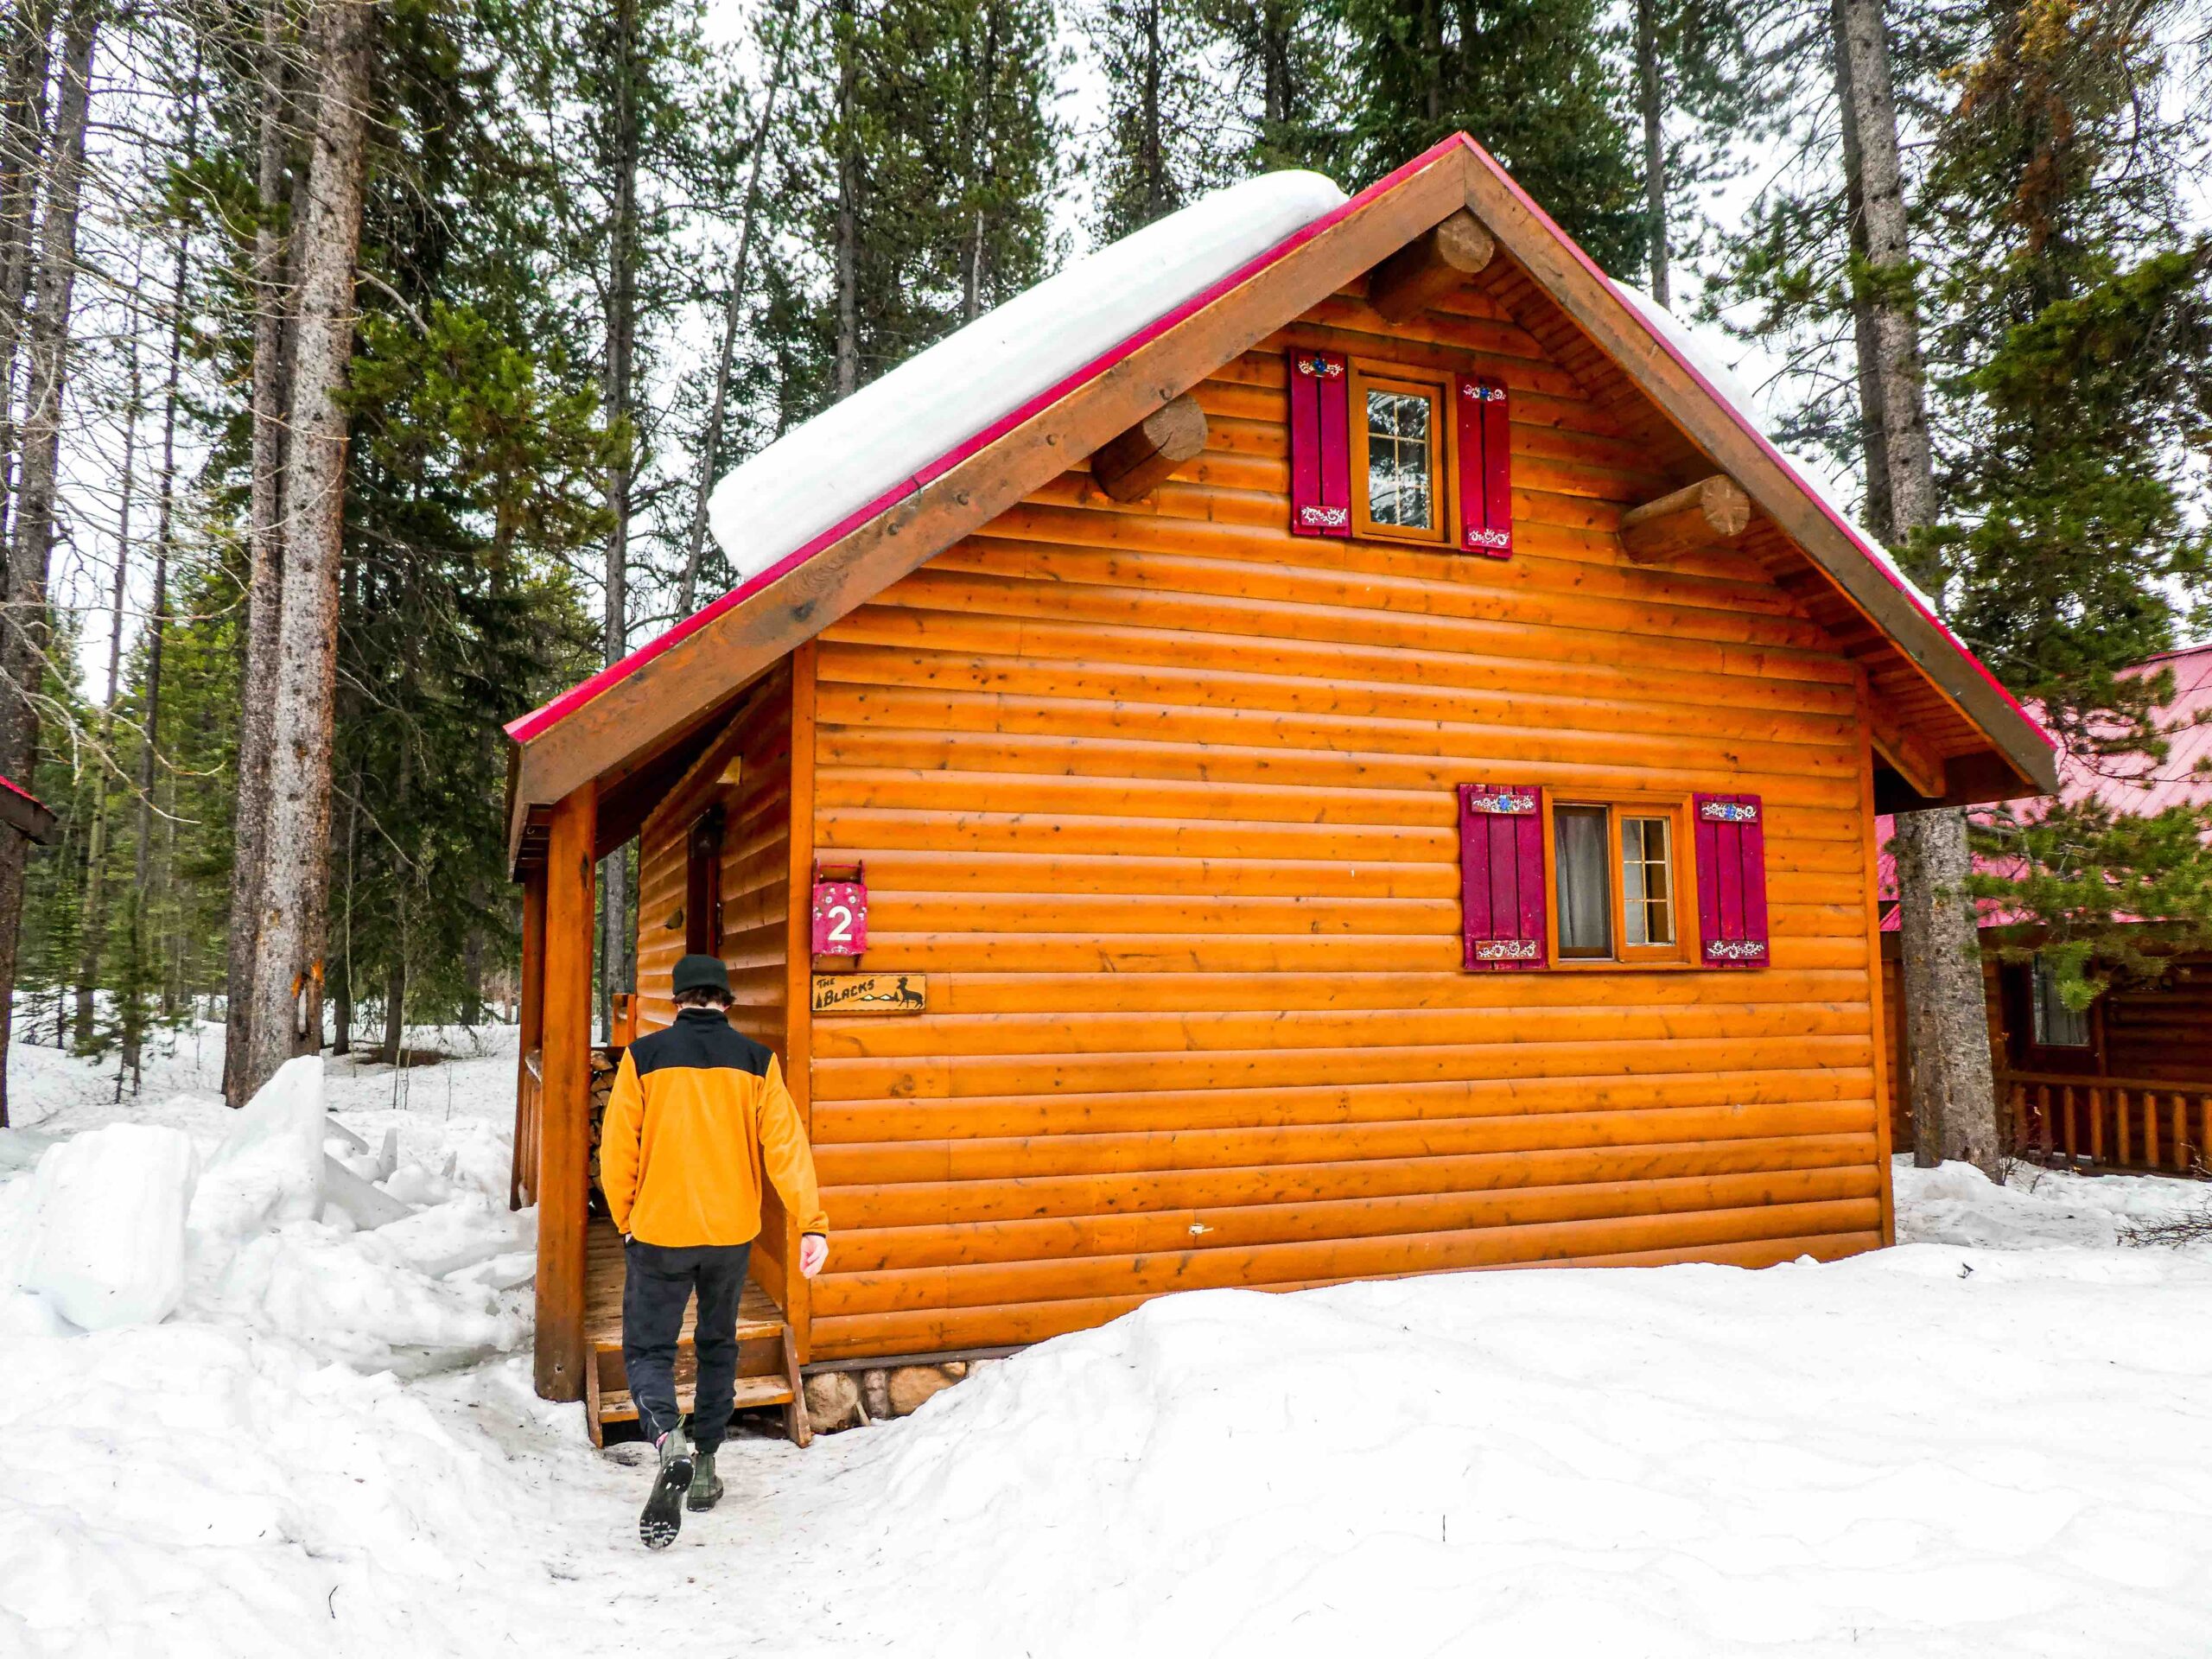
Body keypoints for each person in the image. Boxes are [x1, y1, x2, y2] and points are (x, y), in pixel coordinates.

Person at [599, 953, 830, 1549]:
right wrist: (812, 1224)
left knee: (648, 1347)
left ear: (677, 1001)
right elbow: (787, 1147)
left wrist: (626, 1217)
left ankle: (665, 1440)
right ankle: (703, 1468)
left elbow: (618, 1147)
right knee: (717, 1344)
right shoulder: (757, 1061)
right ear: (726, 1002)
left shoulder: (643, 1058)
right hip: (730, 1235)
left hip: (659, 1231)